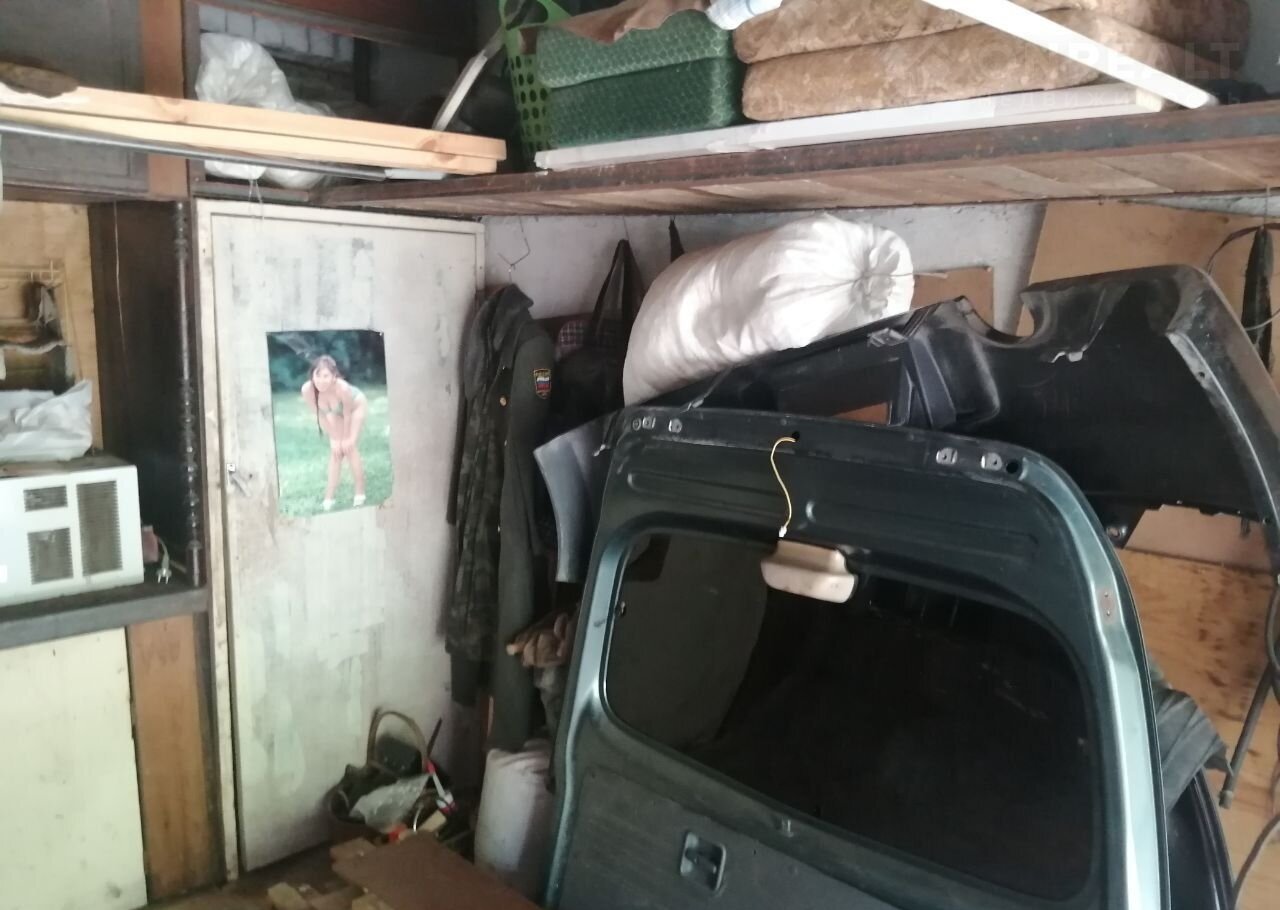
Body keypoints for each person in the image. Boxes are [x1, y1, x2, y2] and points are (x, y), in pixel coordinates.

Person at [301, 354, 368, 511]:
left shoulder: (342, 388)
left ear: (334, 377)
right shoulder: (308, 390)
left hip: (355, 408)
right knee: (336, 451)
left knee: (349, 447)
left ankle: (360, 492)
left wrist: (346, 438)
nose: (321, 380)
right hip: (335, 413)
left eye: (326, 376)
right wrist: (334, 439)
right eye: (317, 375)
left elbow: (347, 414)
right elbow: (320, 415)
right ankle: (329, 497)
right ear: (312, 375)